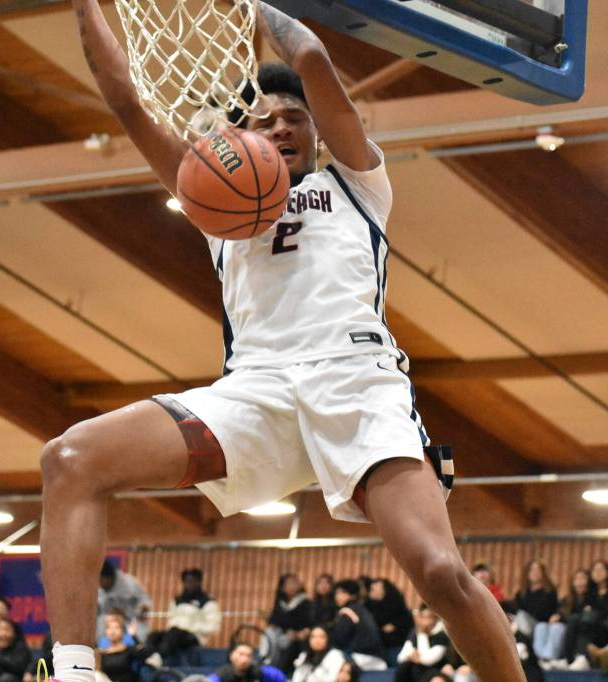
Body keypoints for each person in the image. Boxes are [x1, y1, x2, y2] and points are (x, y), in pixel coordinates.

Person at [41, 4, 525, 682]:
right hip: (255, 391)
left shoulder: (356, 183)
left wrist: (256, 6)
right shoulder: (213, 201)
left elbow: (313, 60)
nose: (279, 126)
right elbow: (125, 100)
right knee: (70, 459)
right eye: (262, 120)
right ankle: (73, 670)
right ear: (240, 140)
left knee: (442, 571)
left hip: (356, 382)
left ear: (316, 132)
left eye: (293, 118)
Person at [146, 568, 220, 665]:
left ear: (199, 582)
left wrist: (191, 627)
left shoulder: (207, 601)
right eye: (187, 581)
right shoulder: (178, 600)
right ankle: (148, 658)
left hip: (194, 636)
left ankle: (158, 659)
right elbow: (171, 619)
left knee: (176, 634)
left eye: (193, 581)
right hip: (174, 634)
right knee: (154, 636)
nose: (190, 584)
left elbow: (213, 627)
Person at [565, 560, 608, 671]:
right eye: (595, 570)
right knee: (577, 622)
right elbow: (584, 610)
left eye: (601, 569)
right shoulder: (590, 592)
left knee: (581, 621)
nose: (597, 573)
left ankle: (578, 658)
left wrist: (593, 612)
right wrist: (593, 612)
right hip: (591, 627)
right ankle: (573, 659)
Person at [533, 569, 589, 668]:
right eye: (577, 579)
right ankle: (540, 658)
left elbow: (576, 619)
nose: (579, 582)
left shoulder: (591, 598)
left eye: (582, 579)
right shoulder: (567, 599)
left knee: (557, 627)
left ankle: (548, 658)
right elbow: (559, 612)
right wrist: (556, 616)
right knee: (541, 626)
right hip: (563, 629)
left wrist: (561, 617)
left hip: (571, 632)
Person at [329, 580, 385, 671]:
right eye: (336, 593)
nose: (337, 596)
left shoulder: (349, 611)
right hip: (372, 657)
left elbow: (339, 638)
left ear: (353, 595)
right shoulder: (360, 609)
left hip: (365, 657)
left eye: (343, 593)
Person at [266, 574, 313, 673]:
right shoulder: (280, 603)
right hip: (282, 636)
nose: (293, 585)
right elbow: (273, 622)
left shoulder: (306, 602)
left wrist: (298, 634)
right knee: (269, 633)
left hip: (299, 637)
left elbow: (309, 624)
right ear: (282, 587)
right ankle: (266, 663)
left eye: (295, 582)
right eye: (289, 583)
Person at [98, 563, 151, 643]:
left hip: (130, 620)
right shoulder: (97, 587)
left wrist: (143, 608)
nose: (99, 583)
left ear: (109, 578)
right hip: (108, 621)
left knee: (136, 637)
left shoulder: (129, 583)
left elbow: (144, 599)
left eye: (101, 580)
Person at [394, 604, 450, 682]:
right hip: (416, 669)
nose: (425, 621)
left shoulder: (441, 635)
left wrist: (422, 634)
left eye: (429, 617)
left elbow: (429, 660)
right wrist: (411, 656)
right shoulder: (414, 632)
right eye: (423, 617)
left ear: (435, 618)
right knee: (403, 667)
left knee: (421, 670)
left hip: (436, 670)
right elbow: (400, 657)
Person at [97, 615, 154, 682]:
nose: (112, 631)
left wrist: (134, 636)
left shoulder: (128, 650)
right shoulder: (101, 653)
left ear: (122, 631)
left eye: (116, 628)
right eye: (109, 628)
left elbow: (146, 655)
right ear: (106, 632)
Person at [511, 560, 559, 638]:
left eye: (537, 570)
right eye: (532, 570)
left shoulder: (550, 592)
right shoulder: (522, 593)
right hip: (523, 624)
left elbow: (547, 613)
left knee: (521, 615)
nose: (534, 573)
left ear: (543, 573)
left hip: (541, 626)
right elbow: (515, 607)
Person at [366, 579, 413, 651]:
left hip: (395, 644)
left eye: (374, 589)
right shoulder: (369, 605)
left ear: (384, 590)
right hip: (376, 644)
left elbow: (405, 620)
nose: (371, 592)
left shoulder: (396, 605)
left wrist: (394, 625)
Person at [210, 643, 286, 682]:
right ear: (231, 656)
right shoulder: (221, 676)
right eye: (241, 654)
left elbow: (278, 676)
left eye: (248, 655)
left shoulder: (258, 672)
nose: (244, 659)